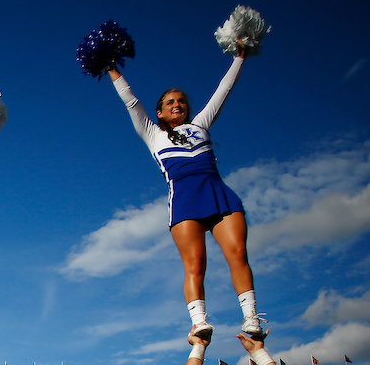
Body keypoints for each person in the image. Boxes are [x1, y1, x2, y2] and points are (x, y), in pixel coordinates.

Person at [107, 46, 264, 341]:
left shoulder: (201, 124)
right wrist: (112, 68)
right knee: (195, 264)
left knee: (239, 253)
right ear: (159, 111)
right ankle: (199, 321)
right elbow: (131, 101)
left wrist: (240, 56)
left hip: (218, 193)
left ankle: (251, 316)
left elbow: (224, 89)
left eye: (181, 101)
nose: (176, 104)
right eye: (169, 102)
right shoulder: (153, 134)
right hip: (184, 200)